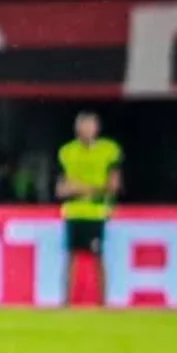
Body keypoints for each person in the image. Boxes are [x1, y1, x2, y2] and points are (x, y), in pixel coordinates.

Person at [57, 111, 121, 305]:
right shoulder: (67, 152)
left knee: (98, 257)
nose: (86, 130)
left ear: (96, 128)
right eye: (82, 125)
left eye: (89, 125)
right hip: (74, 212)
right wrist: (93, 188)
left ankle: (103, 303)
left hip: (96, 213)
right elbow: (61, 189)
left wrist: (80, 188)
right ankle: (66, 303)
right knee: (71, 258)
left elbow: (113, 186)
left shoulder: (109, 150)